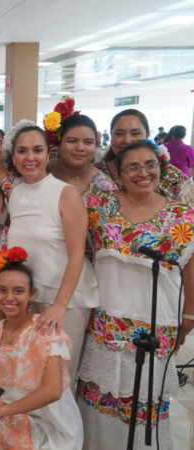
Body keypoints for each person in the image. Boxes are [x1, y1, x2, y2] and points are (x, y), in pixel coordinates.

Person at [78, 140, 194, 450]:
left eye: (150, 164)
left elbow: (191, 270)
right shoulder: (96, 205)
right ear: (117, 172)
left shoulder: (184, 216)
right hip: (105, 319)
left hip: (158, 319)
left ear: (160, 167)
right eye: (133, 166)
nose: (143, 172)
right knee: (101, 404)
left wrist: (190, 315)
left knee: (145, 407)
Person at [0, 248, 84, 450]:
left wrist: (1, 411)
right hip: (13, 413)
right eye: (2, 290)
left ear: (32, 295)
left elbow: (52, 392)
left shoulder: (45, 331)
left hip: (50, 424)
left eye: (18, 291)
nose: (9, 297)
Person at [6, 123, 99, 381]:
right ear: (13, 157)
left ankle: (63, 424)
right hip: (29, 297)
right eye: (22, 151)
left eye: (37, 150)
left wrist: (60, 305)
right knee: (31, 374)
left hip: (64, 298)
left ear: (49, 154)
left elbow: (77, 254)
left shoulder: (66, 194)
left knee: (59, 378)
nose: (30, 157)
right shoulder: (14, 192)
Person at [96, 109, 194, 204]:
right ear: (111, 136)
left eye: (135, 133)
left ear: (147, 136)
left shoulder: (172, 177)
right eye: (119, 134)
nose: (127, 140)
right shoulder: (95, 173)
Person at [47, 111, 117, 197]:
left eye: (88, 142)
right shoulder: (41, 172)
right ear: (58, 144)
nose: (80, 148)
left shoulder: (105, 187)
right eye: (72, 141)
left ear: (96, 145)